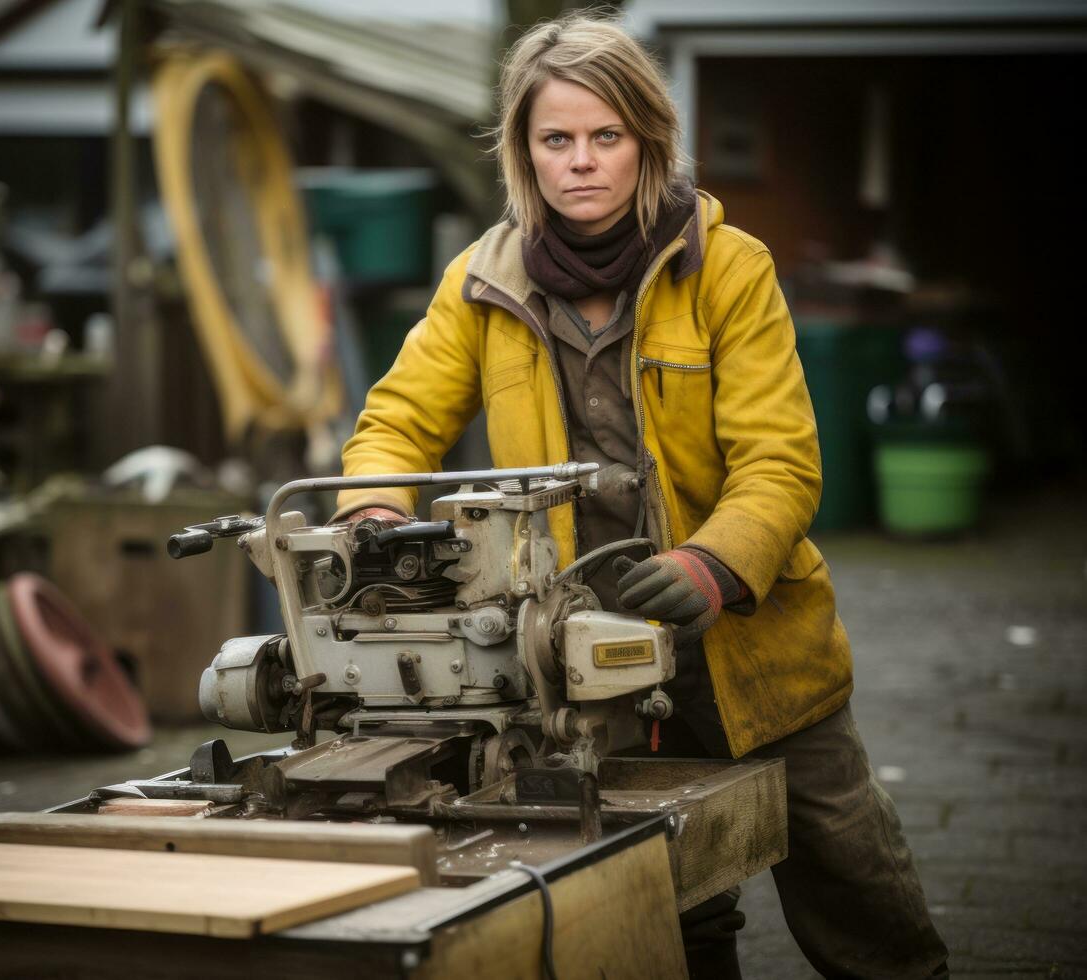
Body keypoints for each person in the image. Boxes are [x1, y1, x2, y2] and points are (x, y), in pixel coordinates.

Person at [333, 13, 949, 979]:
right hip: (579, 664)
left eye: (605, 137)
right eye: (555, 140)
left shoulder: (728, 268)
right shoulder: (478, 285)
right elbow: (395, 424)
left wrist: (713, 565)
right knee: (661, 904)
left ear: (649, 142)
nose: (581, 162)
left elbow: (780, 463)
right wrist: (369, 513)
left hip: (753, 646)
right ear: (523, 154)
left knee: (855, 892)